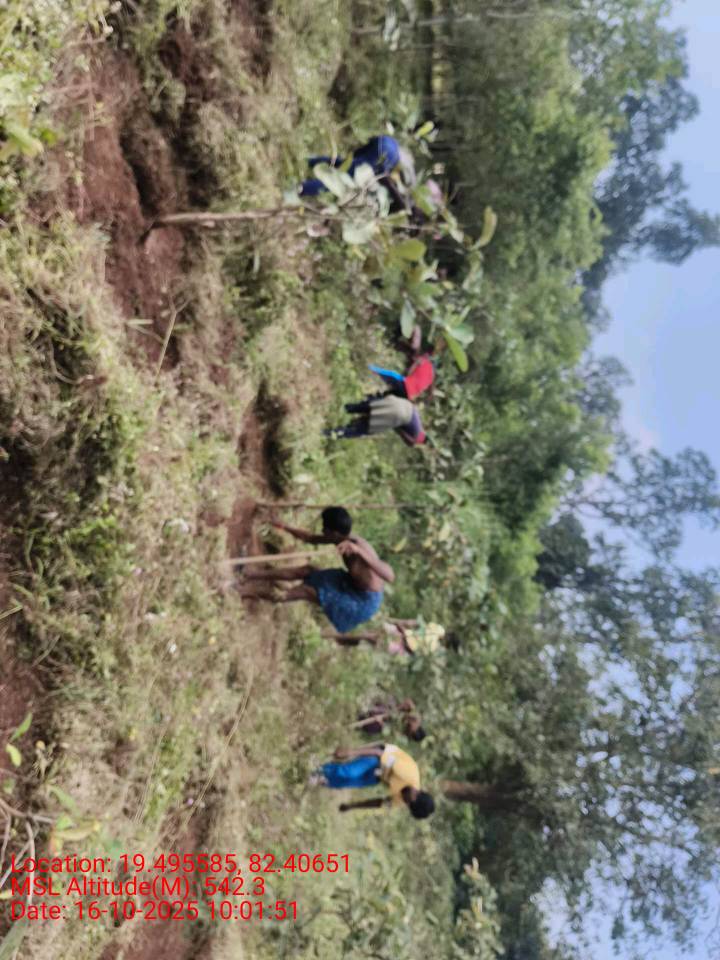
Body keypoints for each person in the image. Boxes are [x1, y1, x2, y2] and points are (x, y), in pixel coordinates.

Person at [239, 507, 393, 632]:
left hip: (361, 603)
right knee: (306, 571)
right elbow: (310, 538)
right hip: (353, 584)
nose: (322, 530)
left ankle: (244, 592)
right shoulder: (340, 538)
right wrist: (281, 525)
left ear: (334, 533)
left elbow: (390, 575)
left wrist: (359, 552)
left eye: (325, 528)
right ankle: (249, 574)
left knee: (304, 591)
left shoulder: (358, 549)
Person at [313, 742, 435, 818]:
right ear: (417, 792)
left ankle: (319, 779)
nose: (406, 801)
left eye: (408, 805)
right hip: (379, 757)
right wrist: (351, 752)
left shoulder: (405, 801)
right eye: (410, 800)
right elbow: (379, 753)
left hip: (379, 775)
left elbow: (379, 803)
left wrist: (351, 806)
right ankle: (318, 768)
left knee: (346, 782)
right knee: (349, 773)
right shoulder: (408, 774)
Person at [299, 135, 404, 197]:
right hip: (376, 156)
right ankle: (303, 188)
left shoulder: (394, 148)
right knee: (337, 181)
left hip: (381, 142)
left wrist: (352, 158)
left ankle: (308, 161)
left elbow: (363, 148)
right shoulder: (392, 164)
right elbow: (377, 172)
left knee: (343, 163)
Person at [325, 395, 426, 446]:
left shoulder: (418, 421)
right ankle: (328, 433)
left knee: (363, 407)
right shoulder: (416, 437)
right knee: (361, 429)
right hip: (399, 414)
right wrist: (398, 429)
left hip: (398, 401)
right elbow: (410, 442)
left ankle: (332, 407)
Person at [325, 618, 447, 656]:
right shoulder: (434, 644)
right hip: (402, 642)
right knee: (367, 637)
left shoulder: (435, 637)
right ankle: (339, 638)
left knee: (368, 636)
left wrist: (400, 625)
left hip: (401, 640)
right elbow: (415, 624)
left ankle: (338, 637)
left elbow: (413, 623)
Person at [368, 352, 436, 401]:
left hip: (405, 385)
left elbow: (409, 372)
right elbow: (430, 393)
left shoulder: (422, 361)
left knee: (391, 374)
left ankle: (370, 368)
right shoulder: (431, 378)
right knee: (385, 398)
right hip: (408, 396)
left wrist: (415, 363)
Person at [355, 697, 426, 741]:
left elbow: (390, 731)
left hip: (382, 722)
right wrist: (403, 707)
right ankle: (364, 707)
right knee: (382, 707)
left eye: (411, 732)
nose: (411, 729)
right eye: (413, 729)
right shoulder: (415, 717)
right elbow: (408, 702)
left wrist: (381, 722)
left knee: (373, 726)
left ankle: (358, 718)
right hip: (390, 709)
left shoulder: (404, 735)